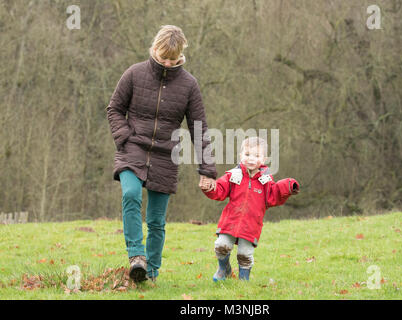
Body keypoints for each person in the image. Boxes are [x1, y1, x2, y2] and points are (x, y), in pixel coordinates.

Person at [106, 25, 217, 283]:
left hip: (166, 156)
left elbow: (198, 128)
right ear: (154, 49)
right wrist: (124, 137)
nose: (167, 63)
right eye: (162, 57)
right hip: (133, 148)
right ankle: (136, 256)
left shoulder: (190, 85)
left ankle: (150, 272)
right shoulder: (134, 73)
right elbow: (114, 109)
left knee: (156, 220)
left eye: (172, 59)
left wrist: (207, 170)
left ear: (180, 56)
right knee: (131, 194)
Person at [200, 137, 300, 281]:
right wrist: (210, 187)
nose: (251, 159)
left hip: (251, 225)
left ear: (264, 159)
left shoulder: (265, 180)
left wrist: (289, 186)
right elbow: (219, 190)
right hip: (230, 221)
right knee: (221, 246)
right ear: (240, 156)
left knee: (245, 255)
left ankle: (243, 283)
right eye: (247, 154)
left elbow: (275, 194)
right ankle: (224, 270)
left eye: (257, 155)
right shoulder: (233, 175)